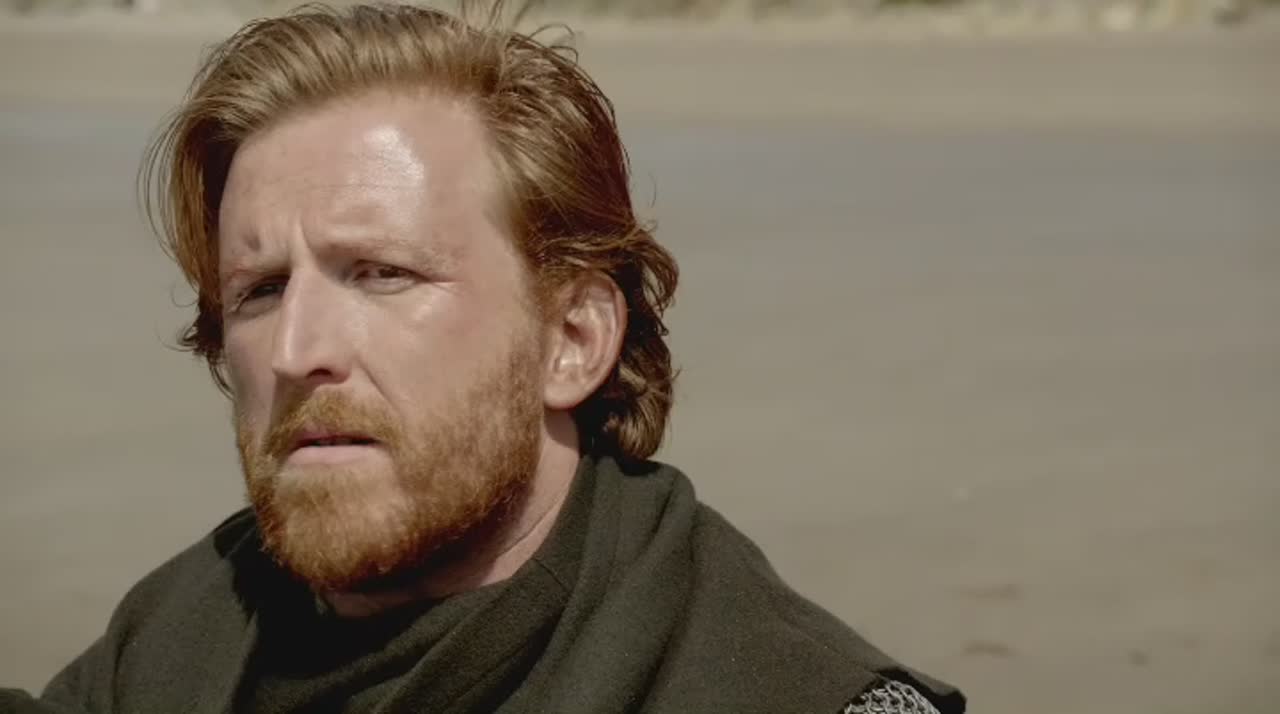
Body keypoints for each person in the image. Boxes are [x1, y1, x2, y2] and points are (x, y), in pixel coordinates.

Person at [2, 3, 965, 712]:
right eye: (259, 290)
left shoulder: (784, 693)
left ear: (572, 341)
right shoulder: (175, 636)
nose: (295, 350)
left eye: (381, 274)